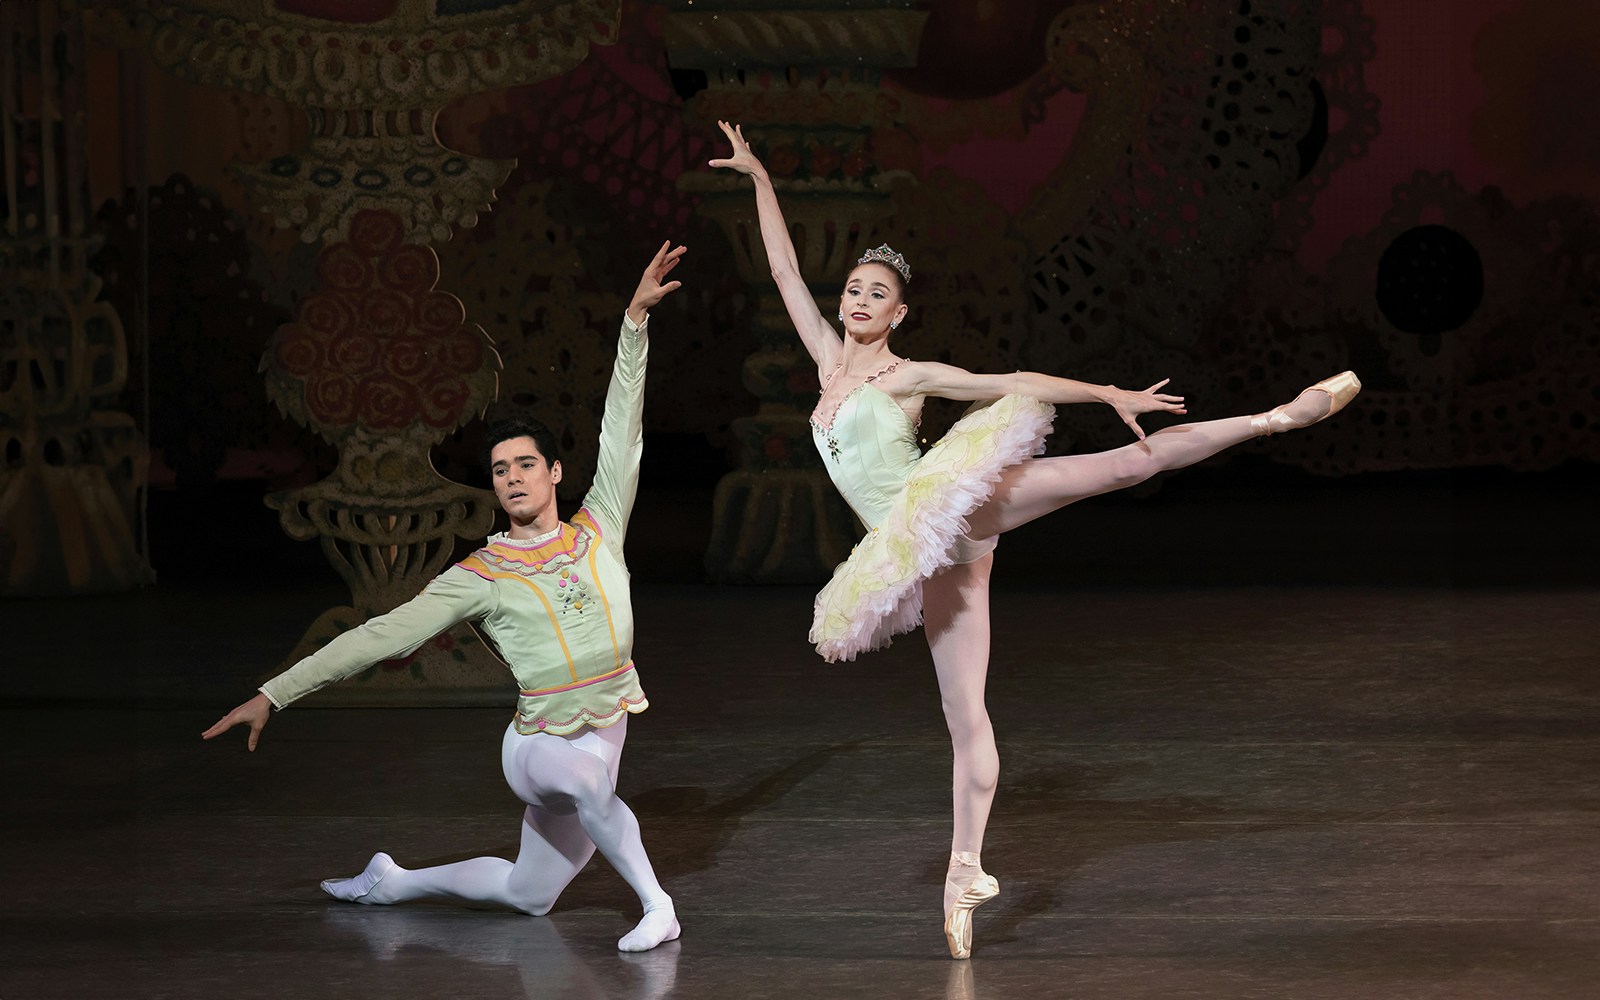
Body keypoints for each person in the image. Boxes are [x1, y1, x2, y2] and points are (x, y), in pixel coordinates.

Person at [709, 122, 1361, 960]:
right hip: (921, 552)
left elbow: (1008, 382)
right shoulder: (828, 360)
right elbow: (784, 270)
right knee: (964, 717)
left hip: (948, 503)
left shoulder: (908, 375)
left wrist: (1103, 387)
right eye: (856, 289)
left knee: (1124, 467)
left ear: (900, 312)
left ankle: (1279, 415)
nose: (860, 299)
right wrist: (760, 175)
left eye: (878, 293)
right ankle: (964, 873)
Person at [203, 242, 688, 953]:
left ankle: (391, 880)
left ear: (555, 471)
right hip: (537, 748)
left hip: (602, 737)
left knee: (529, 896)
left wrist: (634, 323)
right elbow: (381, 636)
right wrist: (275, 693)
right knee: (587, 784)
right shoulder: (482, 573)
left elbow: (624, 427)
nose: (514, 477)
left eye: (526, 464)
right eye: (499, 470)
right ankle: (657, 905)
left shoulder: (600, 526)